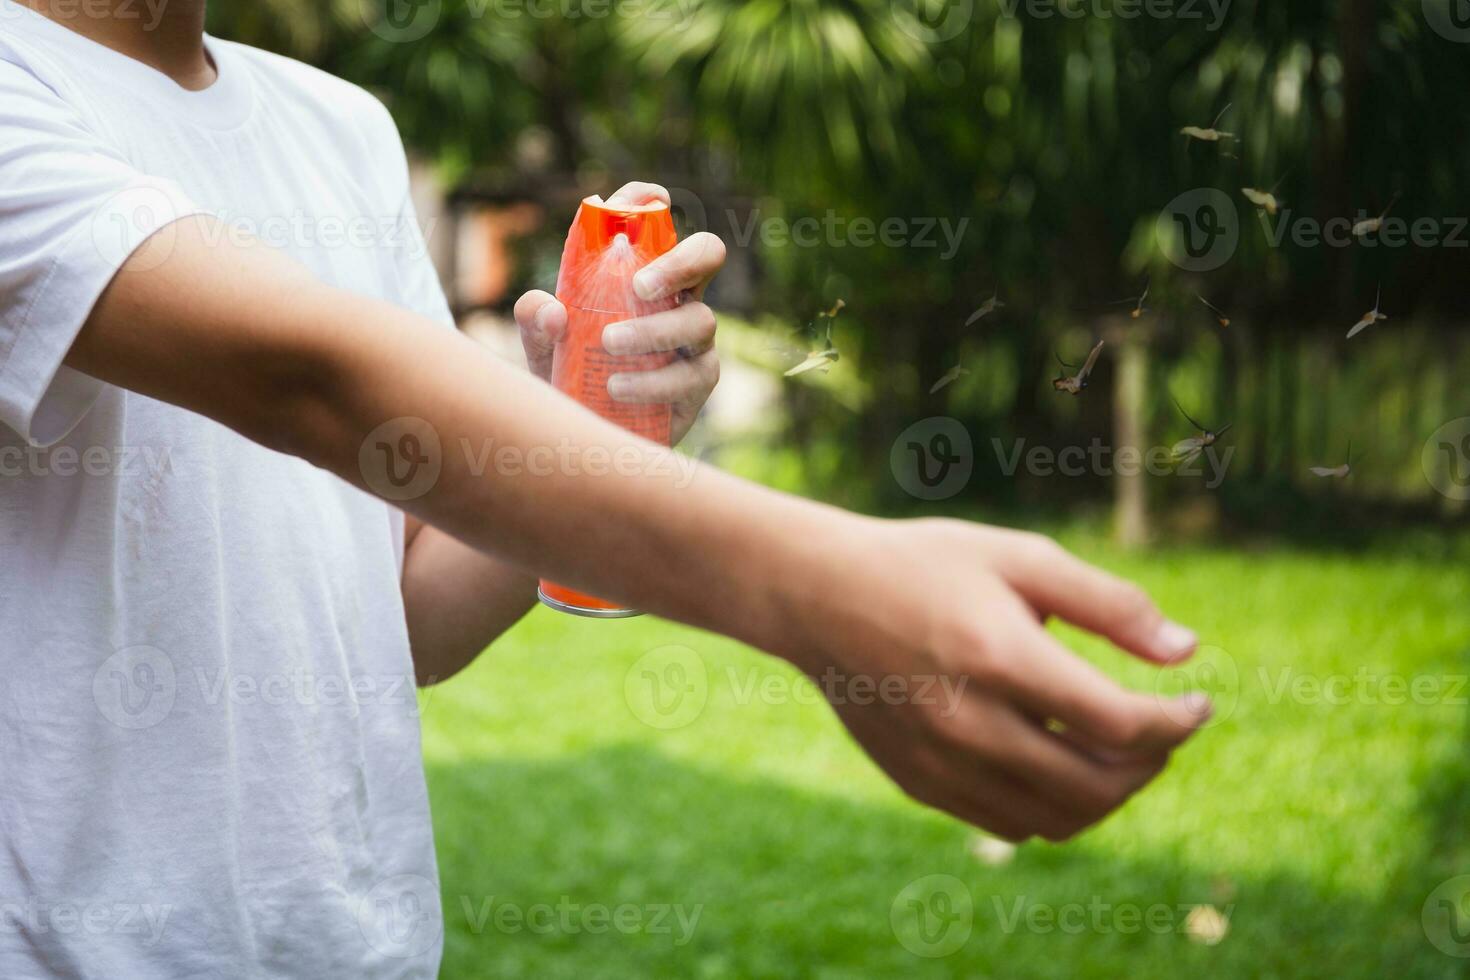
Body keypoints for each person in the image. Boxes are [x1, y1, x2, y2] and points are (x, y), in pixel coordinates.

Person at [0, 0, 1211, 975]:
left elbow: (402, 617)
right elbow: (318, 381)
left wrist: (593, 422)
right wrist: (821, 586)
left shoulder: (341, 126)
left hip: (356, 946)